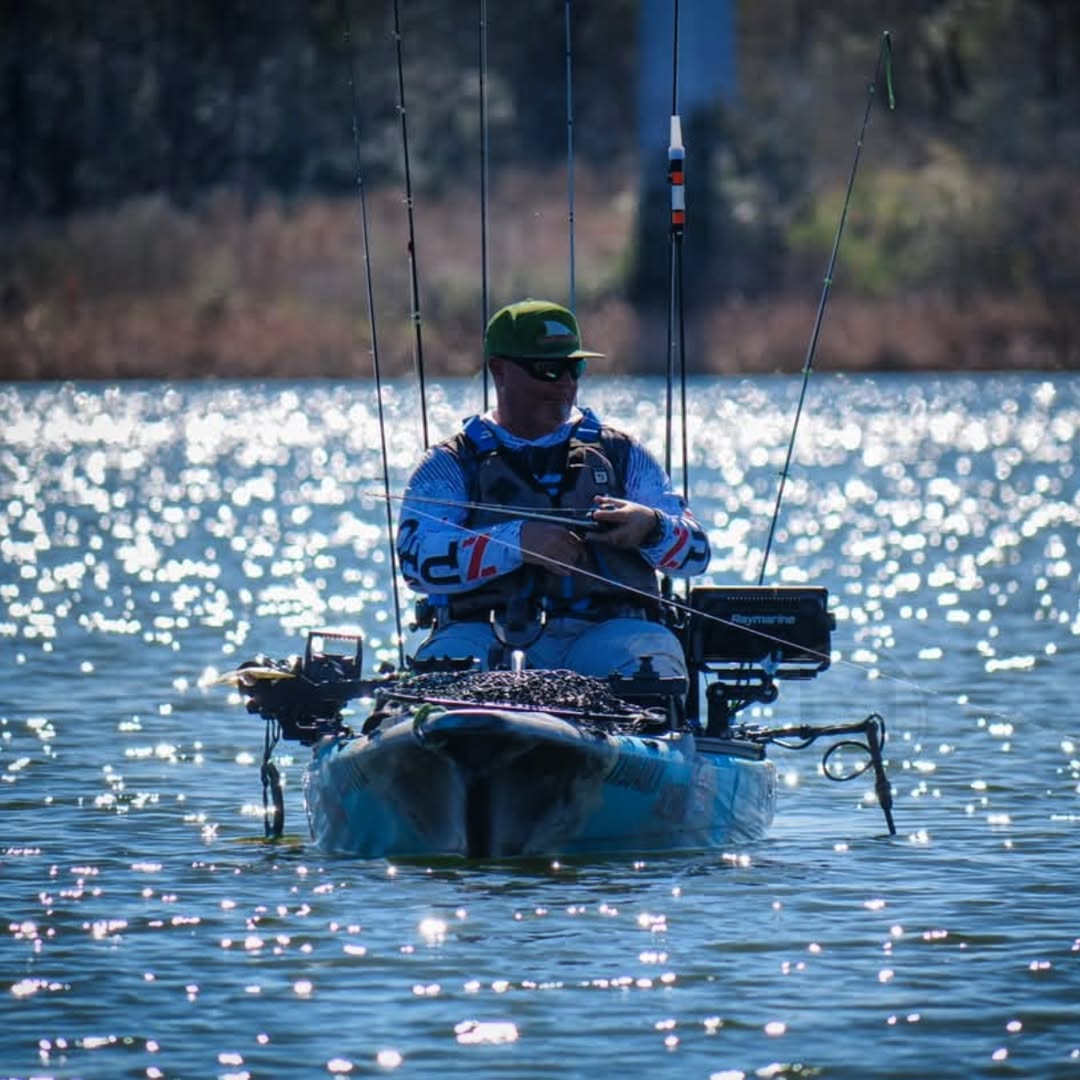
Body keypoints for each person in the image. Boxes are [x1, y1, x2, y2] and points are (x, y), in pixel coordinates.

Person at [396, 298, 710, 680]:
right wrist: (516, 544)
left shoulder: (624, 453)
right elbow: (417, 565)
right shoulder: (449, 463)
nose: (565, 383)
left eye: (574, 368)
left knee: (652, 662)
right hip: (485, 634)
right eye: (548, 370)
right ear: (499, 371)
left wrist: (651, 527)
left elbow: (697, 555)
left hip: (607, 635)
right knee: (443, 669)